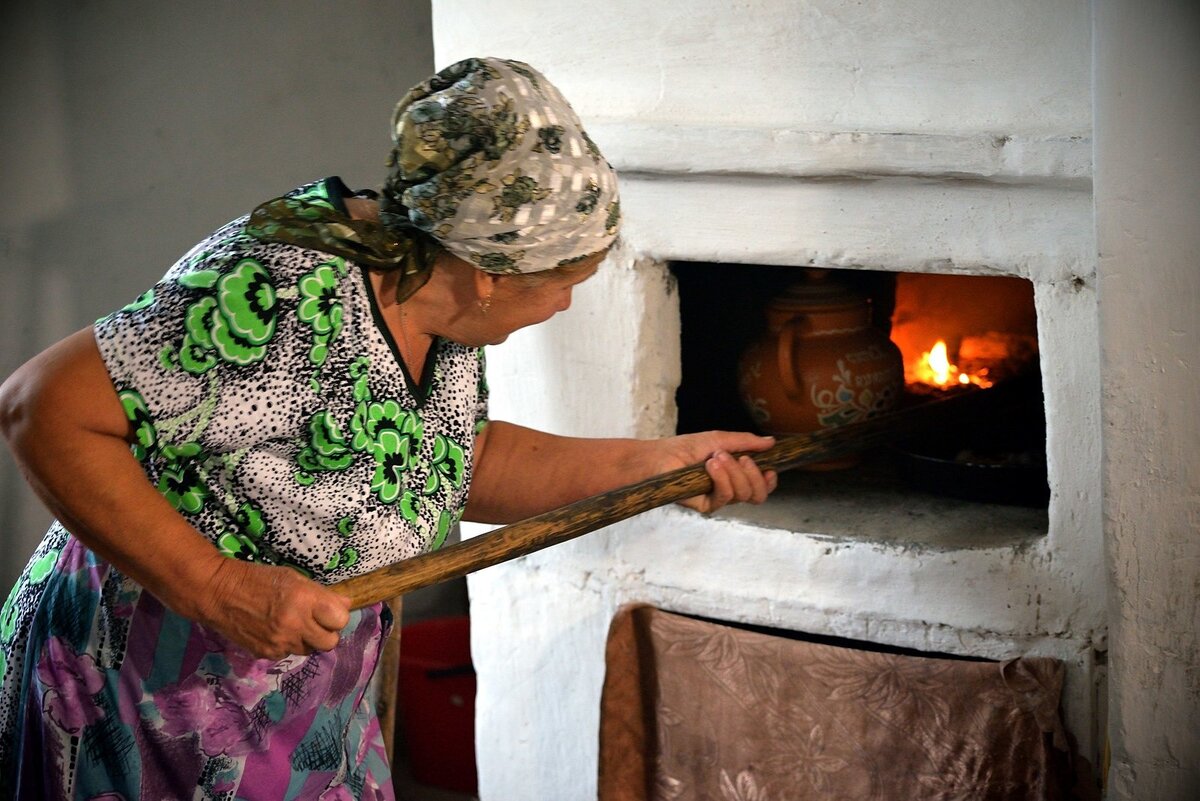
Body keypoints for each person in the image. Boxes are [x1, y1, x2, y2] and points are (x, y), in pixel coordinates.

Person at [0, 57, 777, 799]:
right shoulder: (280, 291)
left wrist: (666, 461)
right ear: (490, 273)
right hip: (147, 680)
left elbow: (462, 460)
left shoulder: (437, 306)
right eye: (563, 284)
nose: (565, 305)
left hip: (300, 698)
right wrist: (219, 586)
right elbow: (38, 404)